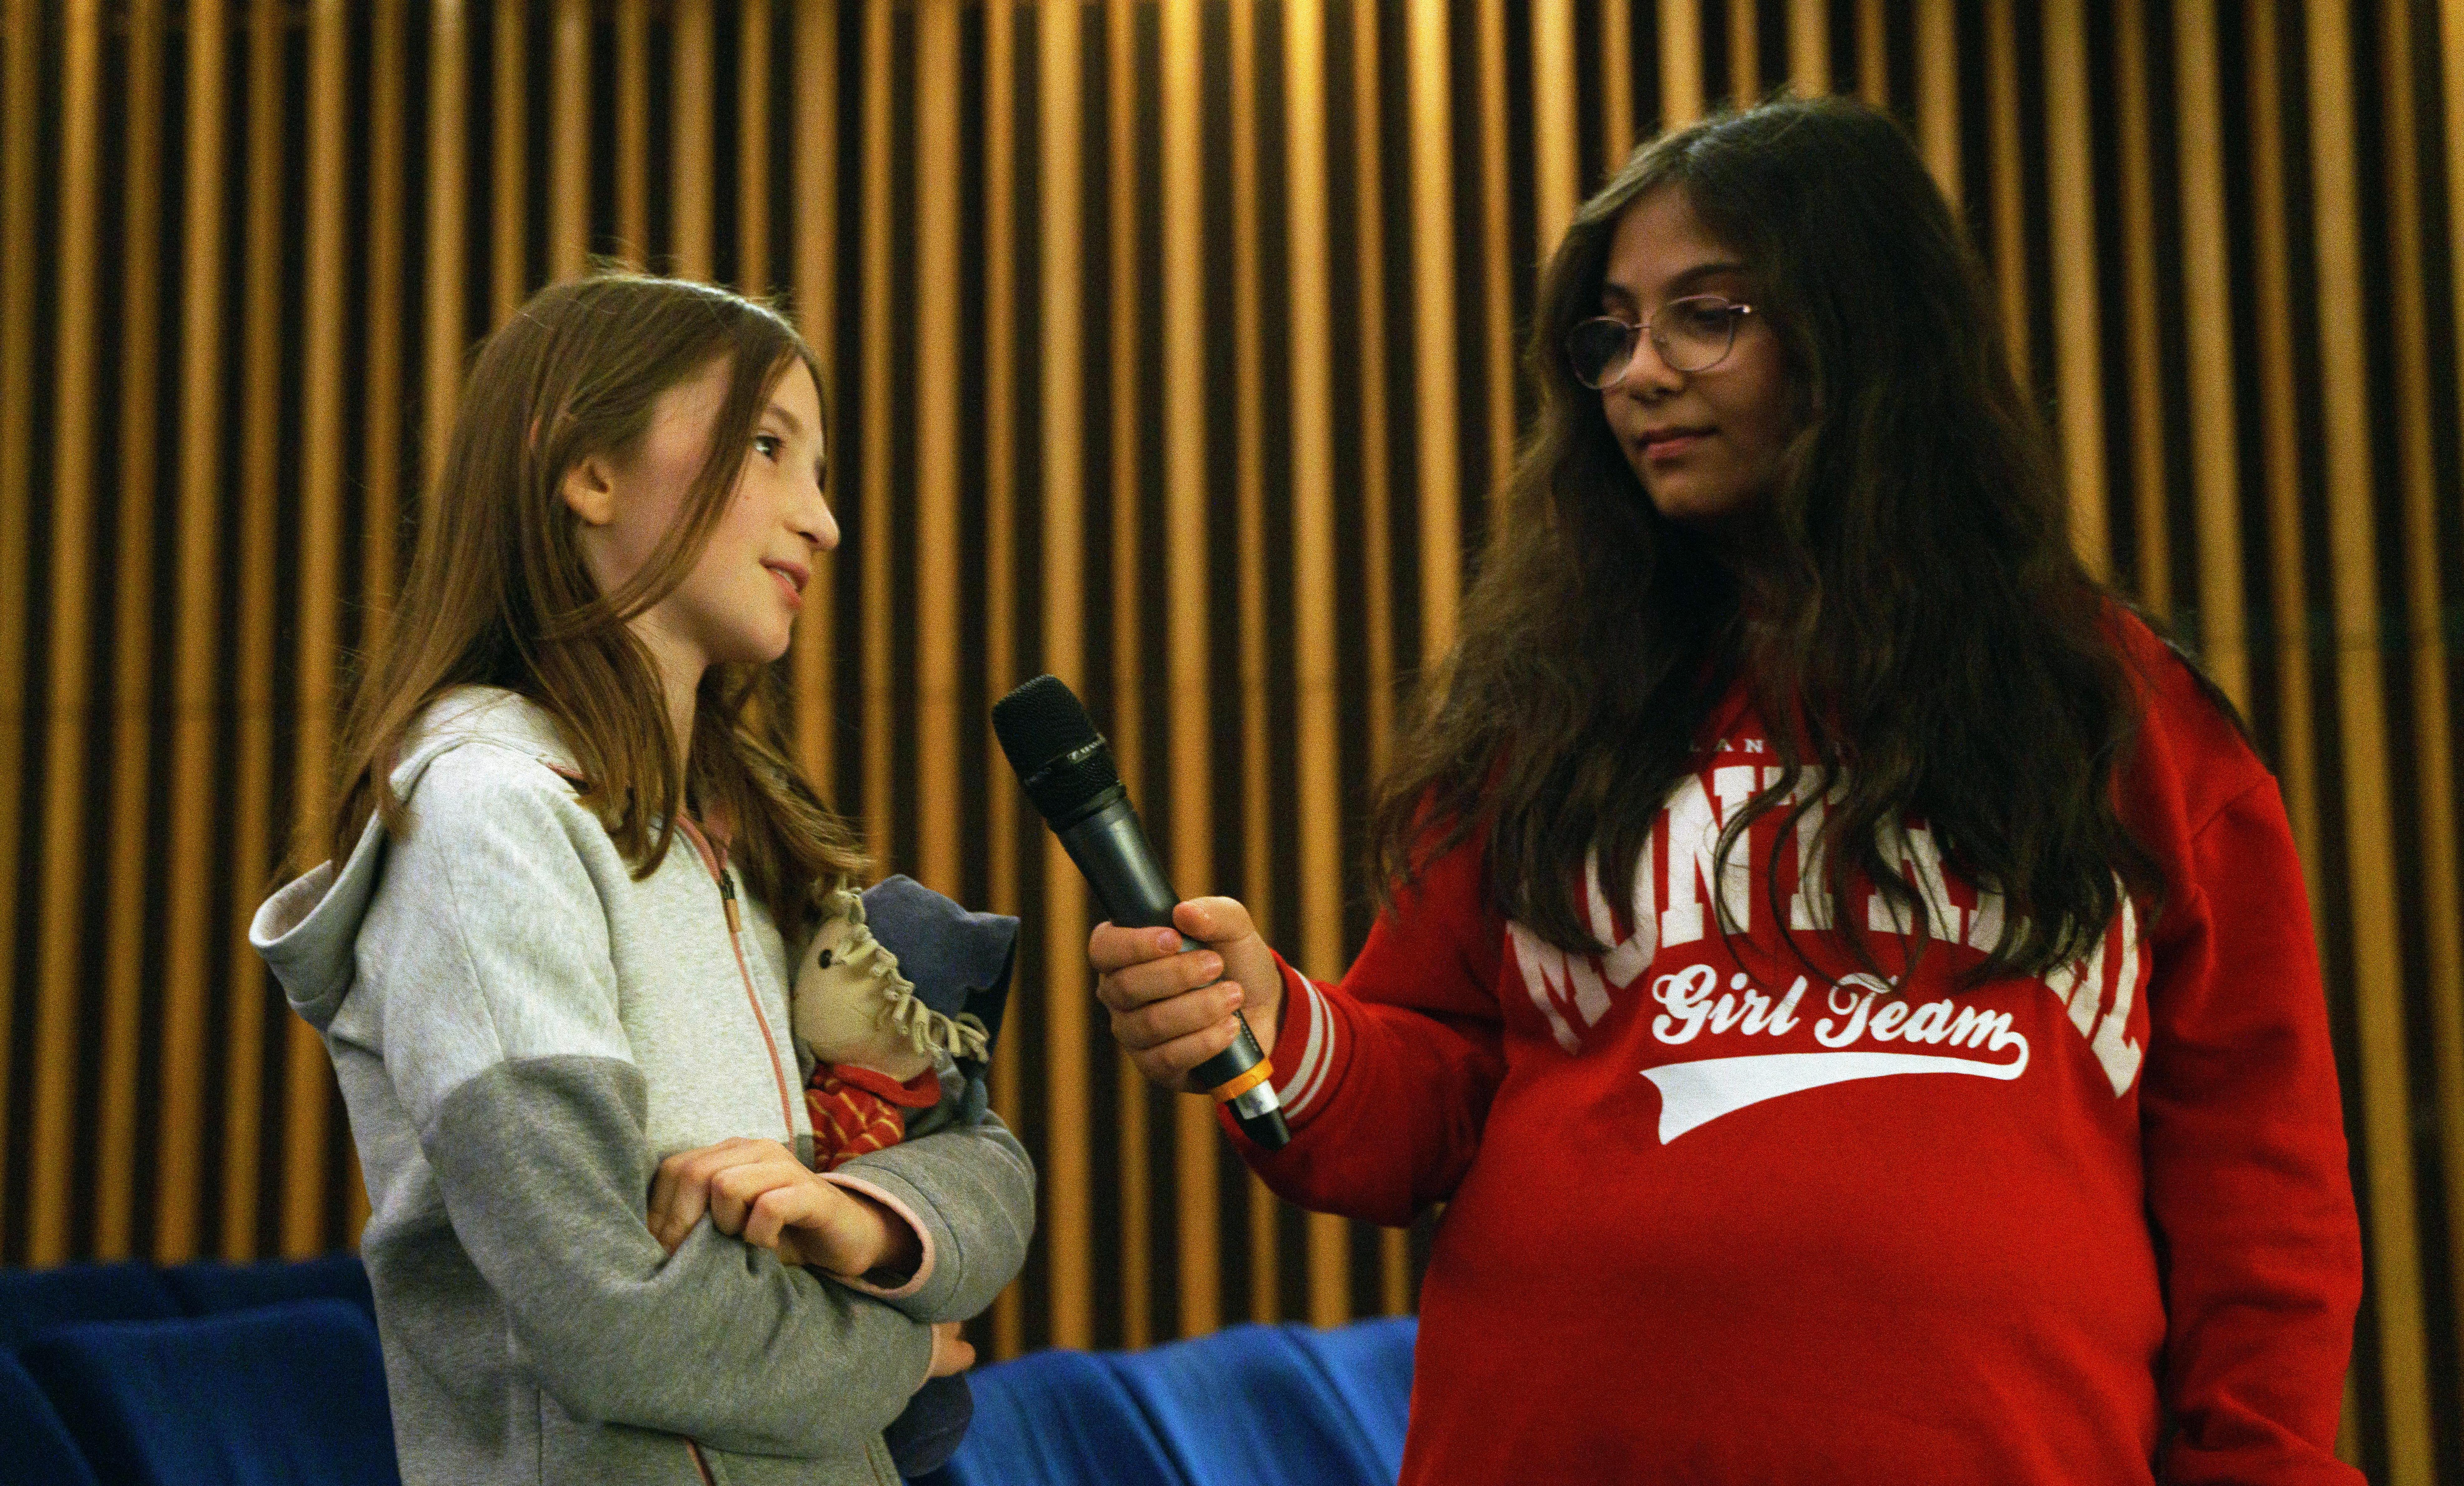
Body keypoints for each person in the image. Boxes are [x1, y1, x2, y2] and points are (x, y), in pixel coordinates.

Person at [1091, 97, 2360, 1484]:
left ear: (1862, 337)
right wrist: (1275, 1018)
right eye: (1611, 333)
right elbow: (1425, 1100)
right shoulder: (1551, 705)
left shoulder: (2123, 718)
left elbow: (2262, 1204)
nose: (1637, 374)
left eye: (1705, 315)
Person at [252, 273, 1034, 1486]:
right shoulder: (485, 817)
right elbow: (608, 1320)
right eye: (768, 448)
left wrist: (870, 1220)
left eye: (816, 470)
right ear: (589, 472)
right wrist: (896, 1353)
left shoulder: (749, 840)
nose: (822, 521)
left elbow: (985, 1162)